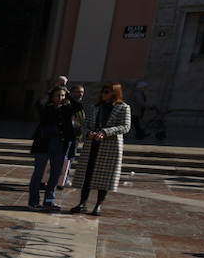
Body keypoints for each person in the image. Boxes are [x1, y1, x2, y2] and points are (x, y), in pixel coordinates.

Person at [70, 83, 131, 216]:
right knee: (87, 174)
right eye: (103, 91)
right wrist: (88, 133)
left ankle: (98, 205)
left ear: (115, 93)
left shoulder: (123, 108)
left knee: (105, 176)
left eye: (107, 92)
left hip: (110, 146)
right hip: (92, 144)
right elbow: (85, 124)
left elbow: (125, 126)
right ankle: (82, 203)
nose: (103, 94)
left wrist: (105, 132)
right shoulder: (96, 107)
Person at [27, 84, 84, 211]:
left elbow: (79, 107)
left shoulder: (67, 108)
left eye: (62, 95)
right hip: (43, 144)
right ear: (51, 97)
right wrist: (50, 93)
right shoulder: (46, 107)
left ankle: (49, 201)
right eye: (57, 95)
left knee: (56, 173)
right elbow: (38, 105)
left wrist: (67, 93)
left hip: (60, 144)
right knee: (38, 174)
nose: (60, 97)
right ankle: (33, 202)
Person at [57, 83, 86, 188]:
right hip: (65, 136)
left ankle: (64, 178)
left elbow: (82, 120)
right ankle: (56, 178)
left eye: (82, 92)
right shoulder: (67, 103)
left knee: (70, 158)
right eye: (78, 92)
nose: (80, 94)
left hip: (76, 136)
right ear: (72, 92)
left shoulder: (80, 104)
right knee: (62, 157)